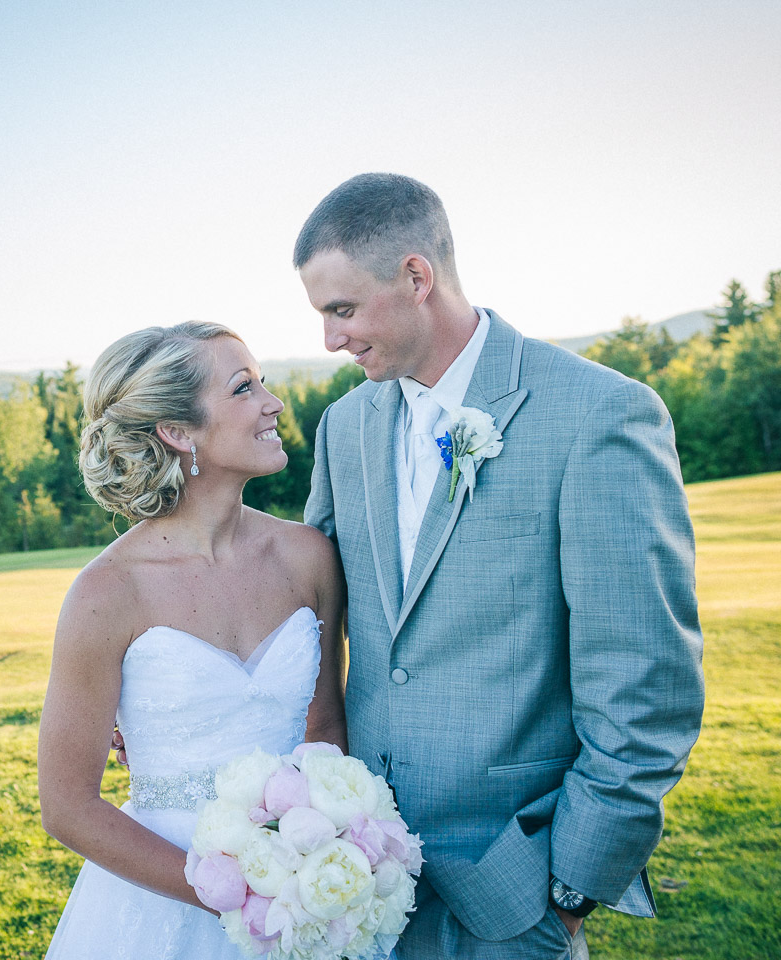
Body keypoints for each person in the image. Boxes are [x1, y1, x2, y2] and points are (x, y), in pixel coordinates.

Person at [294, 173, 705, 960]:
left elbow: (645, 680)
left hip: (515, 888)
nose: (330, 340)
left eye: (341, 309)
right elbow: (305, 603)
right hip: (355, 879)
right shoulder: (344, 427)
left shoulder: (597, 414)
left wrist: (573, 890)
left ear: (417, 277)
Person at [37, 321, 350, 959]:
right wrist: (233, 893)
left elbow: (326, 725)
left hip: (306, 885)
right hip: (164, 897)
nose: (273, 404)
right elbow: (67, 804)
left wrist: (313, 864)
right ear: (177, 433)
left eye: (263, 381)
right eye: (243, 389)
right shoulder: (106, 595)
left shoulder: (309, 558)